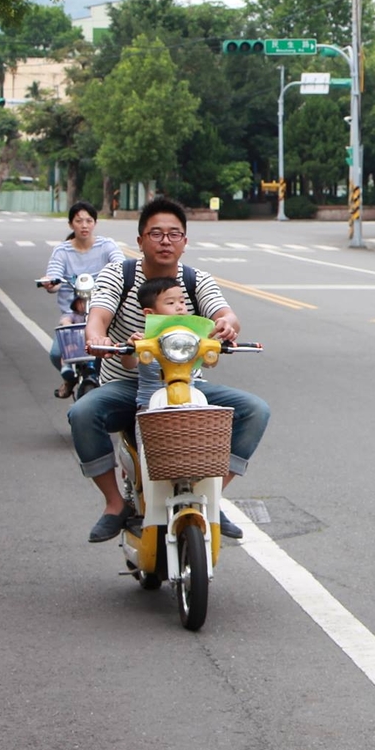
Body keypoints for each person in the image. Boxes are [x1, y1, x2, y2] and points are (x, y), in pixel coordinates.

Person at [71, 197, 270, 544]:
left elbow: (226, 313)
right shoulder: (120, 274)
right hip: (127, 386)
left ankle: (212, 498)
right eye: (157, 233)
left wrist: (226, 325)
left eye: (174, 234)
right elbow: (97, 317)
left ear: (185, 242)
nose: (166, 241)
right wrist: (96, 337)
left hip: (186, 383)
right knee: (82, 413)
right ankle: (114, 504)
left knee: (255, 410)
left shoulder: (196, 280)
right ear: (140, 240)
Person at [42, 201, 123, 397]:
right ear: (71, 224)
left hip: (103, 310)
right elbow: (54, 278)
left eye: (89, 220)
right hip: (73, 315)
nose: (84, 225)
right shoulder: (62, 251)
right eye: (79, 221)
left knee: (120, 353)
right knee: (56, 353)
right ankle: (68, 379)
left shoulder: (107, 246)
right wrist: (50, 283)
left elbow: (120, 265)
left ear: (95, 223)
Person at [122, 276, 187, 409]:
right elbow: (129, 364)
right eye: (170, 303)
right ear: (149, 312)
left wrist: (214, 344)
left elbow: (209, 363)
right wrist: (131, 348)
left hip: (187, 401)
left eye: (182, 301)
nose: (179, 307)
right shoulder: (145, 339)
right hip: (151, 404)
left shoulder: (191, 337)